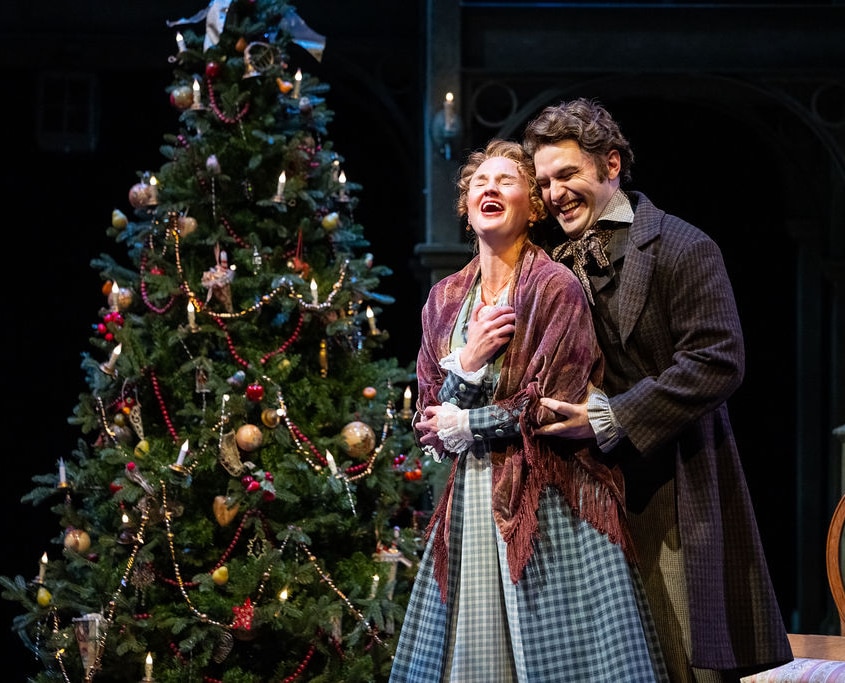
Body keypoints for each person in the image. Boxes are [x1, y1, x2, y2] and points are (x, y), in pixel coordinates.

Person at [522, 98, 793, 682]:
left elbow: (718, 360)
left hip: (673, 485)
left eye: (567, 174)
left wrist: (610, 416)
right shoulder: (546, 267)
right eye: (544, 181)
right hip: (584, 497)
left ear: (611, 165)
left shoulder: (681, 246)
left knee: (677, 655)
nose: (555, 193)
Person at [389, 139, 668, 682]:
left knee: (557, 659)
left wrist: (466, 420)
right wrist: (467, 364)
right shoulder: (444, 299)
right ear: (465, 208)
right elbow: (428, 417)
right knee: (476, 656)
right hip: (472, 497)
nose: (489, 189)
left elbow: (551, 403)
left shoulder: (553, 286)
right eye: (478, 183)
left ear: (533, 208)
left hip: (550, 499)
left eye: (506, 181)